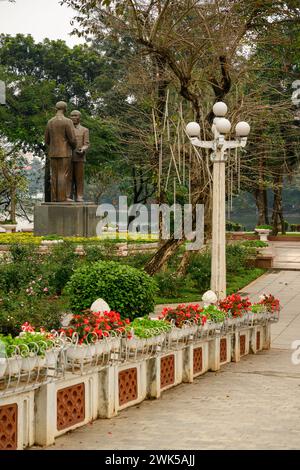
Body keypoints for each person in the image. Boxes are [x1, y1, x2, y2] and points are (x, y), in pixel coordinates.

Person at [45, 101, 77, 202]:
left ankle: (54, 198)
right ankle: (62, 198)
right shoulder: (68, 121)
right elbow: (72, 139)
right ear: (65, 109)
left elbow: (46, 140)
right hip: (64, 152)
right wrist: (74, 146)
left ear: (56, 108)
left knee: (54, 175)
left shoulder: (50, 122)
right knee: (63, 174)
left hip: (53, 152)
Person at [68, 110, 90, 202]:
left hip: (79, 157)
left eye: (75, 115)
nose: (73, 117)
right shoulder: (67, 129)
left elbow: (87, 143)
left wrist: (83, 149)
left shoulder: (84, 130)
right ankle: (68, 196)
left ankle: (79, 196)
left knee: (79, 178)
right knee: (68, 178)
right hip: (68, 157)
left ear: (79, 117)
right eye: (71, 115)